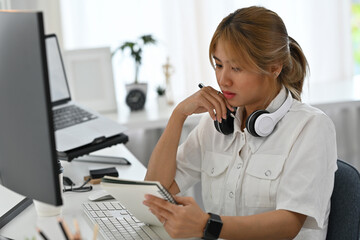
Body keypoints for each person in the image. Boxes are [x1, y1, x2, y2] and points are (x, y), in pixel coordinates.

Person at [143, 6, 337, 240]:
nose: (223, 79)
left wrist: (207, 225)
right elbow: (155, 194)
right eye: (218, 64)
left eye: (236, 68)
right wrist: (178, 116)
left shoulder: (311, 127)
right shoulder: (214, 123)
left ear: (274, 67)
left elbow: (288, 224)